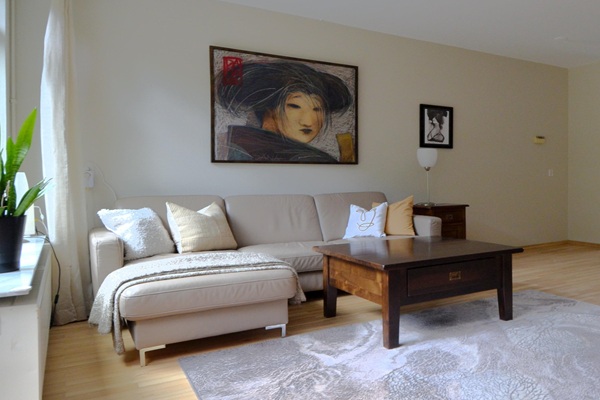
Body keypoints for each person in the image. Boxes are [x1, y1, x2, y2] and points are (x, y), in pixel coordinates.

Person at [214, 61, 354, 162]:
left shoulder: (235, 141)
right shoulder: (238, 147)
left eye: (317, 109)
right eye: (294, 106)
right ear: (269, 108)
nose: (309, 121)